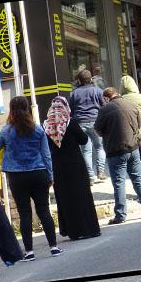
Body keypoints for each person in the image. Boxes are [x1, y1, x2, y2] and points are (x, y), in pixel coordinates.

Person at [0, 95, 62, 260]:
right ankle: (54, 247)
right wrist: (50, 175)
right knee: (44, 211)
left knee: (24, 213)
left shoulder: (6, 131)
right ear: (28, 108)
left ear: (11, 110)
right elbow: (46, 155)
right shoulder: (38, 130)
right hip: (39, 173)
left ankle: (29, 252)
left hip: (17, 177)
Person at [41, 95, 99, 242]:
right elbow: (84, 140)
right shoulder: (70, 123)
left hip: (58, 166)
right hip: (75, 165)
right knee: (82, 195)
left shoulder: (47, 126)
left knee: (65, 197)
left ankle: (73, 231)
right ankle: (88, 229)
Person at [95, 87, 141, 224]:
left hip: (115, 150)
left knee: (119, 183)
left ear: (106, 98)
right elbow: (139, 124)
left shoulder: (104, 110)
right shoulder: (131, 104)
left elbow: (98, 129)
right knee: (139, 179)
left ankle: (121, 215)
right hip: (133, 148)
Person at [69, 69, 106, 181]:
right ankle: (101, 172)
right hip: (95, 122)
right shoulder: (98, 91)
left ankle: (90, 176)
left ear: (79, 81)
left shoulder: (74, 93)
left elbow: (71, 109)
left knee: (86, 150)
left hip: (80, 123)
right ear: (90, 79)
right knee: (99, 147)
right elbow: (103, 106)